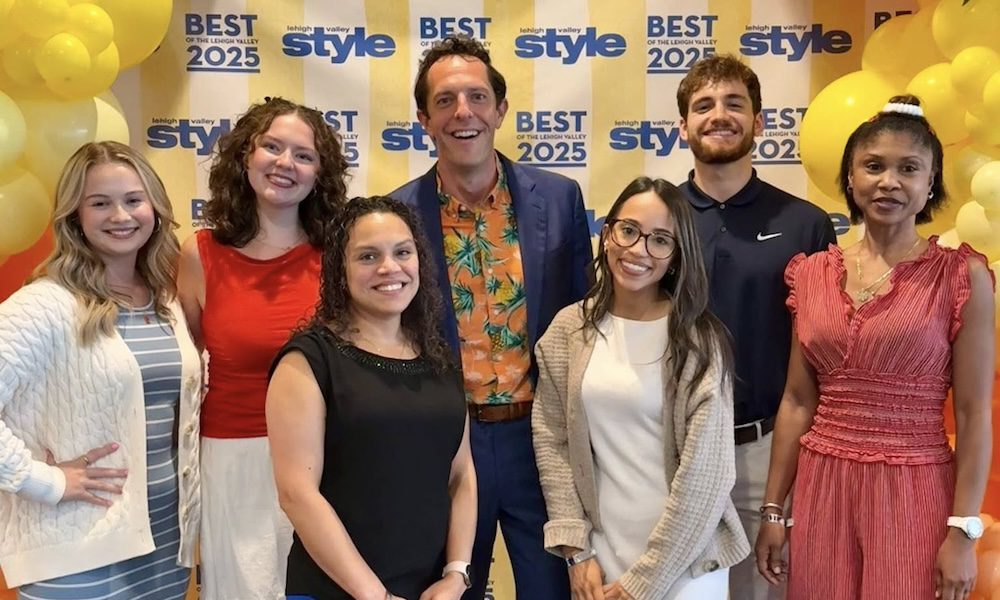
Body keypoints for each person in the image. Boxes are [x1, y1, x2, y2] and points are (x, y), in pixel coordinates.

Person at [754, 96, 995, 600]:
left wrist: (962, 530)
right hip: (823, 485)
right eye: (873, 166)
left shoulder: (961, 276)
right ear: (850, 178)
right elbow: (798, 401)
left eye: (909, 169)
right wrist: (774, 510)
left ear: (930, 184)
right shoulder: (812, 272)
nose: (889, 181)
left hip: (914, 490)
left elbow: (973, 413)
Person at [390, 35, 593, 599]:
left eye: (477, 97)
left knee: (552, 590)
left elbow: (586, 317)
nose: (464, 113)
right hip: (448, 443)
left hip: (542, 440)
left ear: (500, 110)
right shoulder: (395, 215)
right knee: (450, 588)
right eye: (446, 100)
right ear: (424, 119)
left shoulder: (558, 199)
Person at [533, 177, 750, 600]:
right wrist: (576, 551)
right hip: (600, 559)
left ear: (675, 257)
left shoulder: (698, 341)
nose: (638, 250)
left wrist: (645, 582)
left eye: (660, 240)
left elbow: (707, 477)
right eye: (628, 231)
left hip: (684, 566)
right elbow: (552, 441)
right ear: (607, 233)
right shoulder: (568, 329)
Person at [0, 141, 201, 599]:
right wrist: (46, 481)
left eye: (133, 200)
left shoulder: (164, 301)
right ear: (75, 216)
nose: (120, 215)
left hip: (164, 544)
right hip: (77, 554)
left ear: (154, 207)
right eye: (100, 203)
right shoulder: (45, 306)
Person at [675, 54, 837, 600]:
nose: (718, 115)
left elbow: (827, 355)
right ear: (683, 127)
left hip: (765, 452)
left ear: (761, 122)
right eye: (703, 106)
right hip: (667, 451)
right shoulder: (654, 217)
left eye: (734, 104)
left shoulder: (805, 224)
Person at [176, 97, 349, 599]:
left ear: (321, 173)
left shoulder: (338, 256)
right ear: (244, 156)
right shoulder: (199, 255)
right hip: (234, 459)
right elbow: (184, 368)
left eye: (303, 154)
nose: (284, 163)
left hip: (327, 457)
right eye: (271, 147)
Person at [266, 196, 476, 600]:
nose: (389, 268)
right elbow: (297, 493)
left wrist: (456, 574)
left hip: (432, 590)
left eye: (402, 252)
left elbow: (462, 474)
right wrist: (374, 595)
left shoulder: (439, 358)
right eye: (367, 256)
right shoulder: (308, 360)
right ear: (340, 272)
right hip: (338, 590)